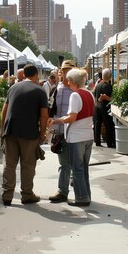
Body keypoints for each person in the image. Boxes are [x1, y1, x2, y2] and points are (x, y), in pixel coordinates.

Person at [1, 64, 48, 205]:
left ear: (24, 75)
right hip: (29, 132)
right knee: (28, 165)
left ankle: (7, 194)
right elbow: (44, 116)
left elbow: (5, 109)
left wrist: (4, 128)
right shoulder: (40, 91)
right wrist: (42, 133)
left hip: (10, 131)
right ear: (36, 75)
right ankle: (27, 194)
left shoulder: (13, 88)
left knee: (9, 164)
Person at [50, 68, 95, 206]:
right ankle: (86, 194)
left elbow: (72, 117)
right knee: (84, 167)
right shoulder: (89, 93)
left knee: (77, 168)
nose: (67, 82)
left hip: (77, 137)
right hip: (88, 135)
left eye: (68, 80)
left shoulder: (75, 95)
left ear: (72, 81)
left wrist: (57, 120)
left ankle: (82, 198)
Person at [48, 60, 75, 203]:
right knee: (64, 163)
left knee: (76, 164)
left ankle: (77, 189)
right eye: (65, 71)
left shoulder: (78, 90)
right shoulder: (55, 89)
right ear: (61, 72)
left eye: (70, 70)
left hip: (76, 132)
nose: (67, 73)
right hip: (60, 132)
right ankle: (62, 191)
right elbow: (50, 109)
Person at [93, 68, 115, 147]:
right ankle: (109, 142)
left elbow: (95, 95)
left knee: (97, 124)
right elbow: (108, 97)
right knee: (108, 124)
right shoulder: (108, 86)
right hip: (105, 107)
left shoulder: (98, 84)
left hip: (97, 107)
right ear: (110, 76)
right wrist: (106, 97)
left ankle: (97, 141)